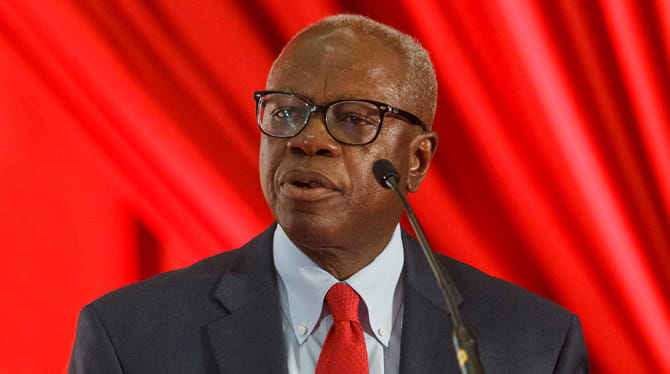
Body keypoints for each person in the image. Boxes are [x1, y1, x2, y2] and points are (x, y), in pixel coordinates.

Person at [69, 14, 589, 373]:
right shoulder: (130, 337)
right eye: (285, 111)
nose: (308, 140)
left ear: (416, 160)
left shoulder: (533, 345)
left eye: (354, 119)